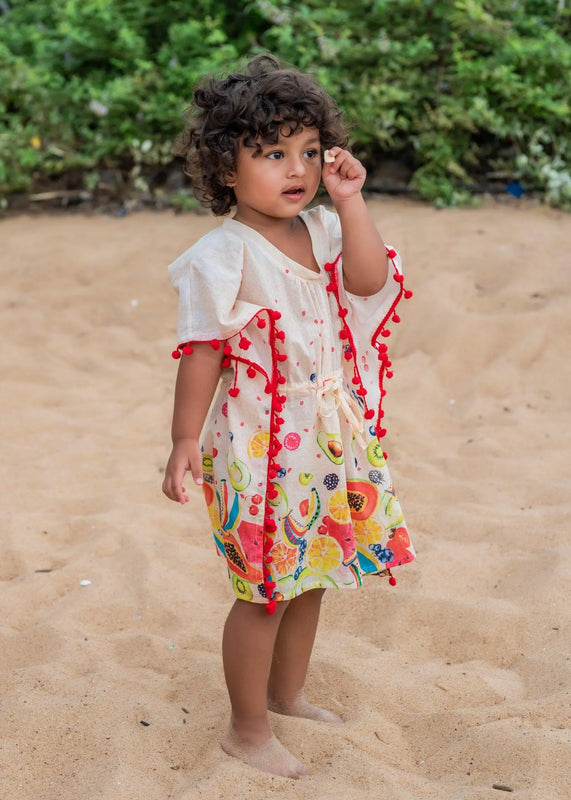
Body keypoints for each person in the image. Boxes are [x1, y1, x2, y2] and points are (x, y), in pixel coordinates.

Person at [162, 54, 415, 779]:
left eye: (308, 151)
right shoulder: (221, 256)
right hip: (258, 444)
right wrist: (183, 439)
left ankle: (286, 695)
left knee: (313, 572)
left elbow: (368, 280)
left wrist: (351, 200)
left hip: (326, 441)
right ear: (226, 167)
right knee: (265, 591)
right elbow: (202, 352)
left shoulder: (325, 229)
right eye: (273, 154)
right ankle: (246, 730)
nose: (296, 168)